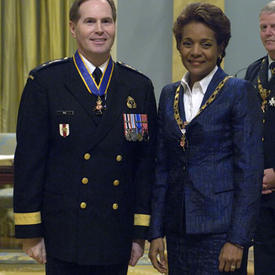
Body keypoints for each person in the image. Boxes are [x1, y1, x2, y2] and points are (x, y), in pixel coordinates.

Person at [13, 0, 157, 274]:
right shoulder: (46, 82)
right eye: (89, 21)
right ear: (72, 28)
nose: (99, 29)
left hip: (115, 233)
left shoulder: (138, 87)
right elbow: (30, 161)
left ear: (115, 26)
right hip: (64, 233)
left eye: (107, 21)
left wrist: (139, 232)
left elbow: (144, 166)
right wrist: (31, 231)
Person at [148, 2, 263, 274]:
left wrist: (237, 239)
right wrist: (155, 232)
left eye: (206, 44)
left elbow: (249, 173)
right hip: (177, 232)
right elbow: (161, 167)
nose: (195, 52)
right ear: (179, 46)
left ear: (221, 47)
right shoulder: (168, 94)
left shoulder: (238, 92)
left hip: (221, 234)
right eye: (188, 43)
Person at [244, 1, 275, 274]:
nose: (268, 32)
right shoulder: (254, 72)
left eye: (274, 26)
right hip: (261, 192)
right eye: (263, 27)